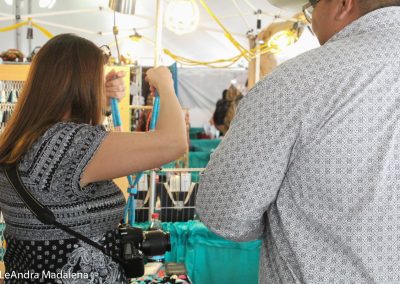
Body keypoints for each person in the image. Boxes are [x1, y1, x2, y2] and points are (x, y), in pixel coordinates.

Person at [197, 0, 400, 283]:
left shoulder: (296, 82)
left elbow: (223, 213)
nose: (311, 21)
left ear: (342, 5)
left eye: (311, 8)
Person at [0, 34, 187, 283]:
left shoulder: (20, 139)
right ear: (82, 86)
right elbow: (173, 143)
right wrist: (165, 83)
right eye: (97, 81)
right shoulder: (67, 145)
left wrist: (103, 104)